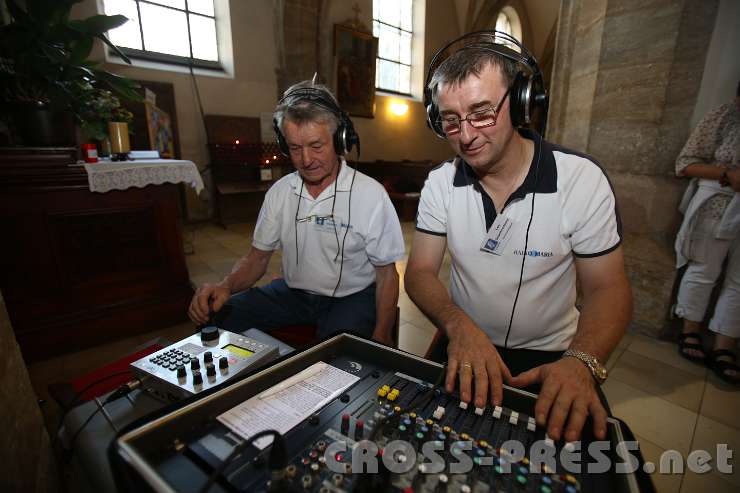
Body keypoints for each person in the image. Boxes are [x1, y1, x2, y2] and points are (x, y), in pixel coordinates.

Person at [405, 33, 632, 443]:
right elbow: (420, 271)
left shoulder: (580, 180)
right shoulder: (440, 183)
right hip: (463, 337)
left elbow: (608, 289)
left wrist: (581, 363)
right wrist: (458, 326)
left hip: (553, 355)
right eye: (450, 120)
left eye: (482, 112)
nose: (466, 135)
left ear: (524, 102)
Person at [188, 81, 405, 345]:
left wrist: (382, 333)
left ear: (340, 140)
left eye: (316, 146)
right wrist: (225, 285)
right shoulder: (280, 192)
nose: (306, 160)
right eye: (294, 148)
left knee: (334, 362)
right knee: (219, 318)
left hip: (352, 296)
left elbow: (386, 275)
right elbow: (256, 260)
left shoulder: (371, 195)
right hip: (293, 293)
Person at [674, 81, 740, 385]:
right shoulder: (724, 115)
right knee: (704, 268)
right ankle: (690, 330)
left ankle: (724, 344)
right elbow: (685, 164)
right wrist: (728, 175)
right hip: (720, 202)